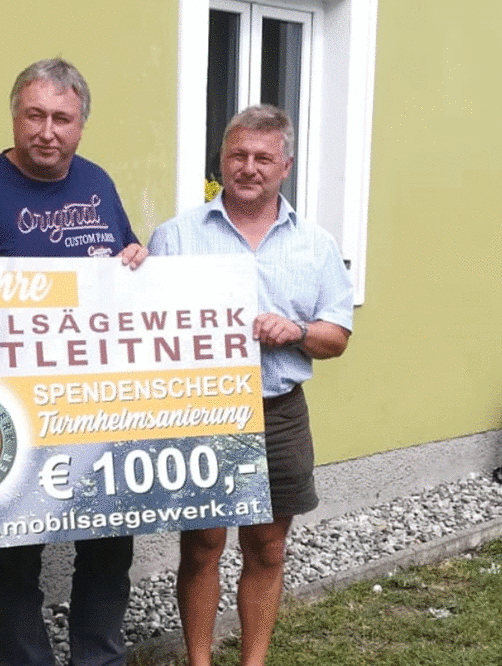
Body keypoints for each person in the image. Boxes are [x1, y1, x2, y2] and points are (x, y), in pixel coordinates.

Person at [0, 58, 148, 666]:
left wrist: (136, 260)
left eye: (61, 118)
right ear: (14, 117)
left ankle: (99, 658)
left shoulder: (97, 183)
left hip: (97, 405)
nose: (46, 131)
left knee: (109, 545)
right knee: (15, 553)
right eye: (34, 115)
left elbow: (123, 265)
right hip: (14, 408)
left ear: (81, 125)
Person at [148, 105, 353, 666]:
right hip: (202, 411)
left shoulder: (316, 245)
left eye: (263, 158)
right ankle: (199, 661)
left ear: (286, 166)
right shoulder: (177, 237)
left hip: (279, 411)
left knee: (267, 546)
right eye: (237, 155)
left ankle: (253, 662)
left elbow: (337, 337)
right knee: (202, 545)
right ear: (221, 160)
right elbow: (144, 325)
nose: (249, 167)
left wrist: (297, 331)